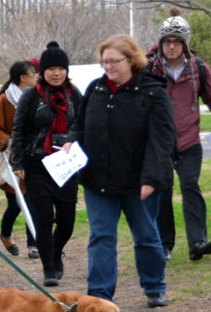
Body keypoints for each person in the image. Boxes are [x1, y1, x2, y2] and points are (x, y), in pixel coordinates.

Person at [67, 34, 174, 308]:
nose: (108, 67)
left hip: (139, 183)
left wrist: (151, 178)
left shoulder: (153, 92)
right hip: (98, 181)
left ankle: (154, 285)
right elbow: (80, 124)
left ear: (131, 60)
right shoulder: (95, 90)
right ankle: (99, 295)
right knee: (101, 237)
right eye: (104, 62)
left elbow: (161, 141)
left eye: (114, 61)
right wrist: (71, 141)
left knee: (147, 236)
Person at [10, 41, 81, 287]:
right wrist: (17, 161)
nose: (56, 73)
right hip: (37, 164)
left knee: (66, 221)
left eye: (61, 68)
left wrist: (72, 139)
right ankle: (49, 267)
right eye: (51, 68)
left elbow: (81, 126)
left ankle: (56, 250)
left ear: (66, 70)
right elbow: (19, 130)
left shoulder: (75, 95)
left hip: (65, 165)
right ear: (43, 72)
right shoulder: (31, 96)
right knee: (42, 218)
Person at [146, 8, 211, 261]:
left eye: (176, 42)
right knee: (162, 190)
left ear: (185, 44)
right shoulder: (150, 69)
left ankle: (198, 242)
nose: (171, 46)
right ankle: (165, 244)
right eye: (167, 41)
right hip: (159, 143)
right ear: (161, 43)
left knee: (190, 185)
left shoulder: (199, 69)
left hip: (189, 140)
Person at [0, 61, 40, 259]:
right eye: (33, 73)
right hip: (12, 160)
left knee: (33, 201)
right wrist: (8, 141)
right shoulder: (5, 100)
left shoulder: (36, 97)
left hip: (33, 158)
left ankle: (34, 244)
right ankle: (5, 234)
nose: (36, 76)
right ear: (23, 77)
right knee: (17, 203)